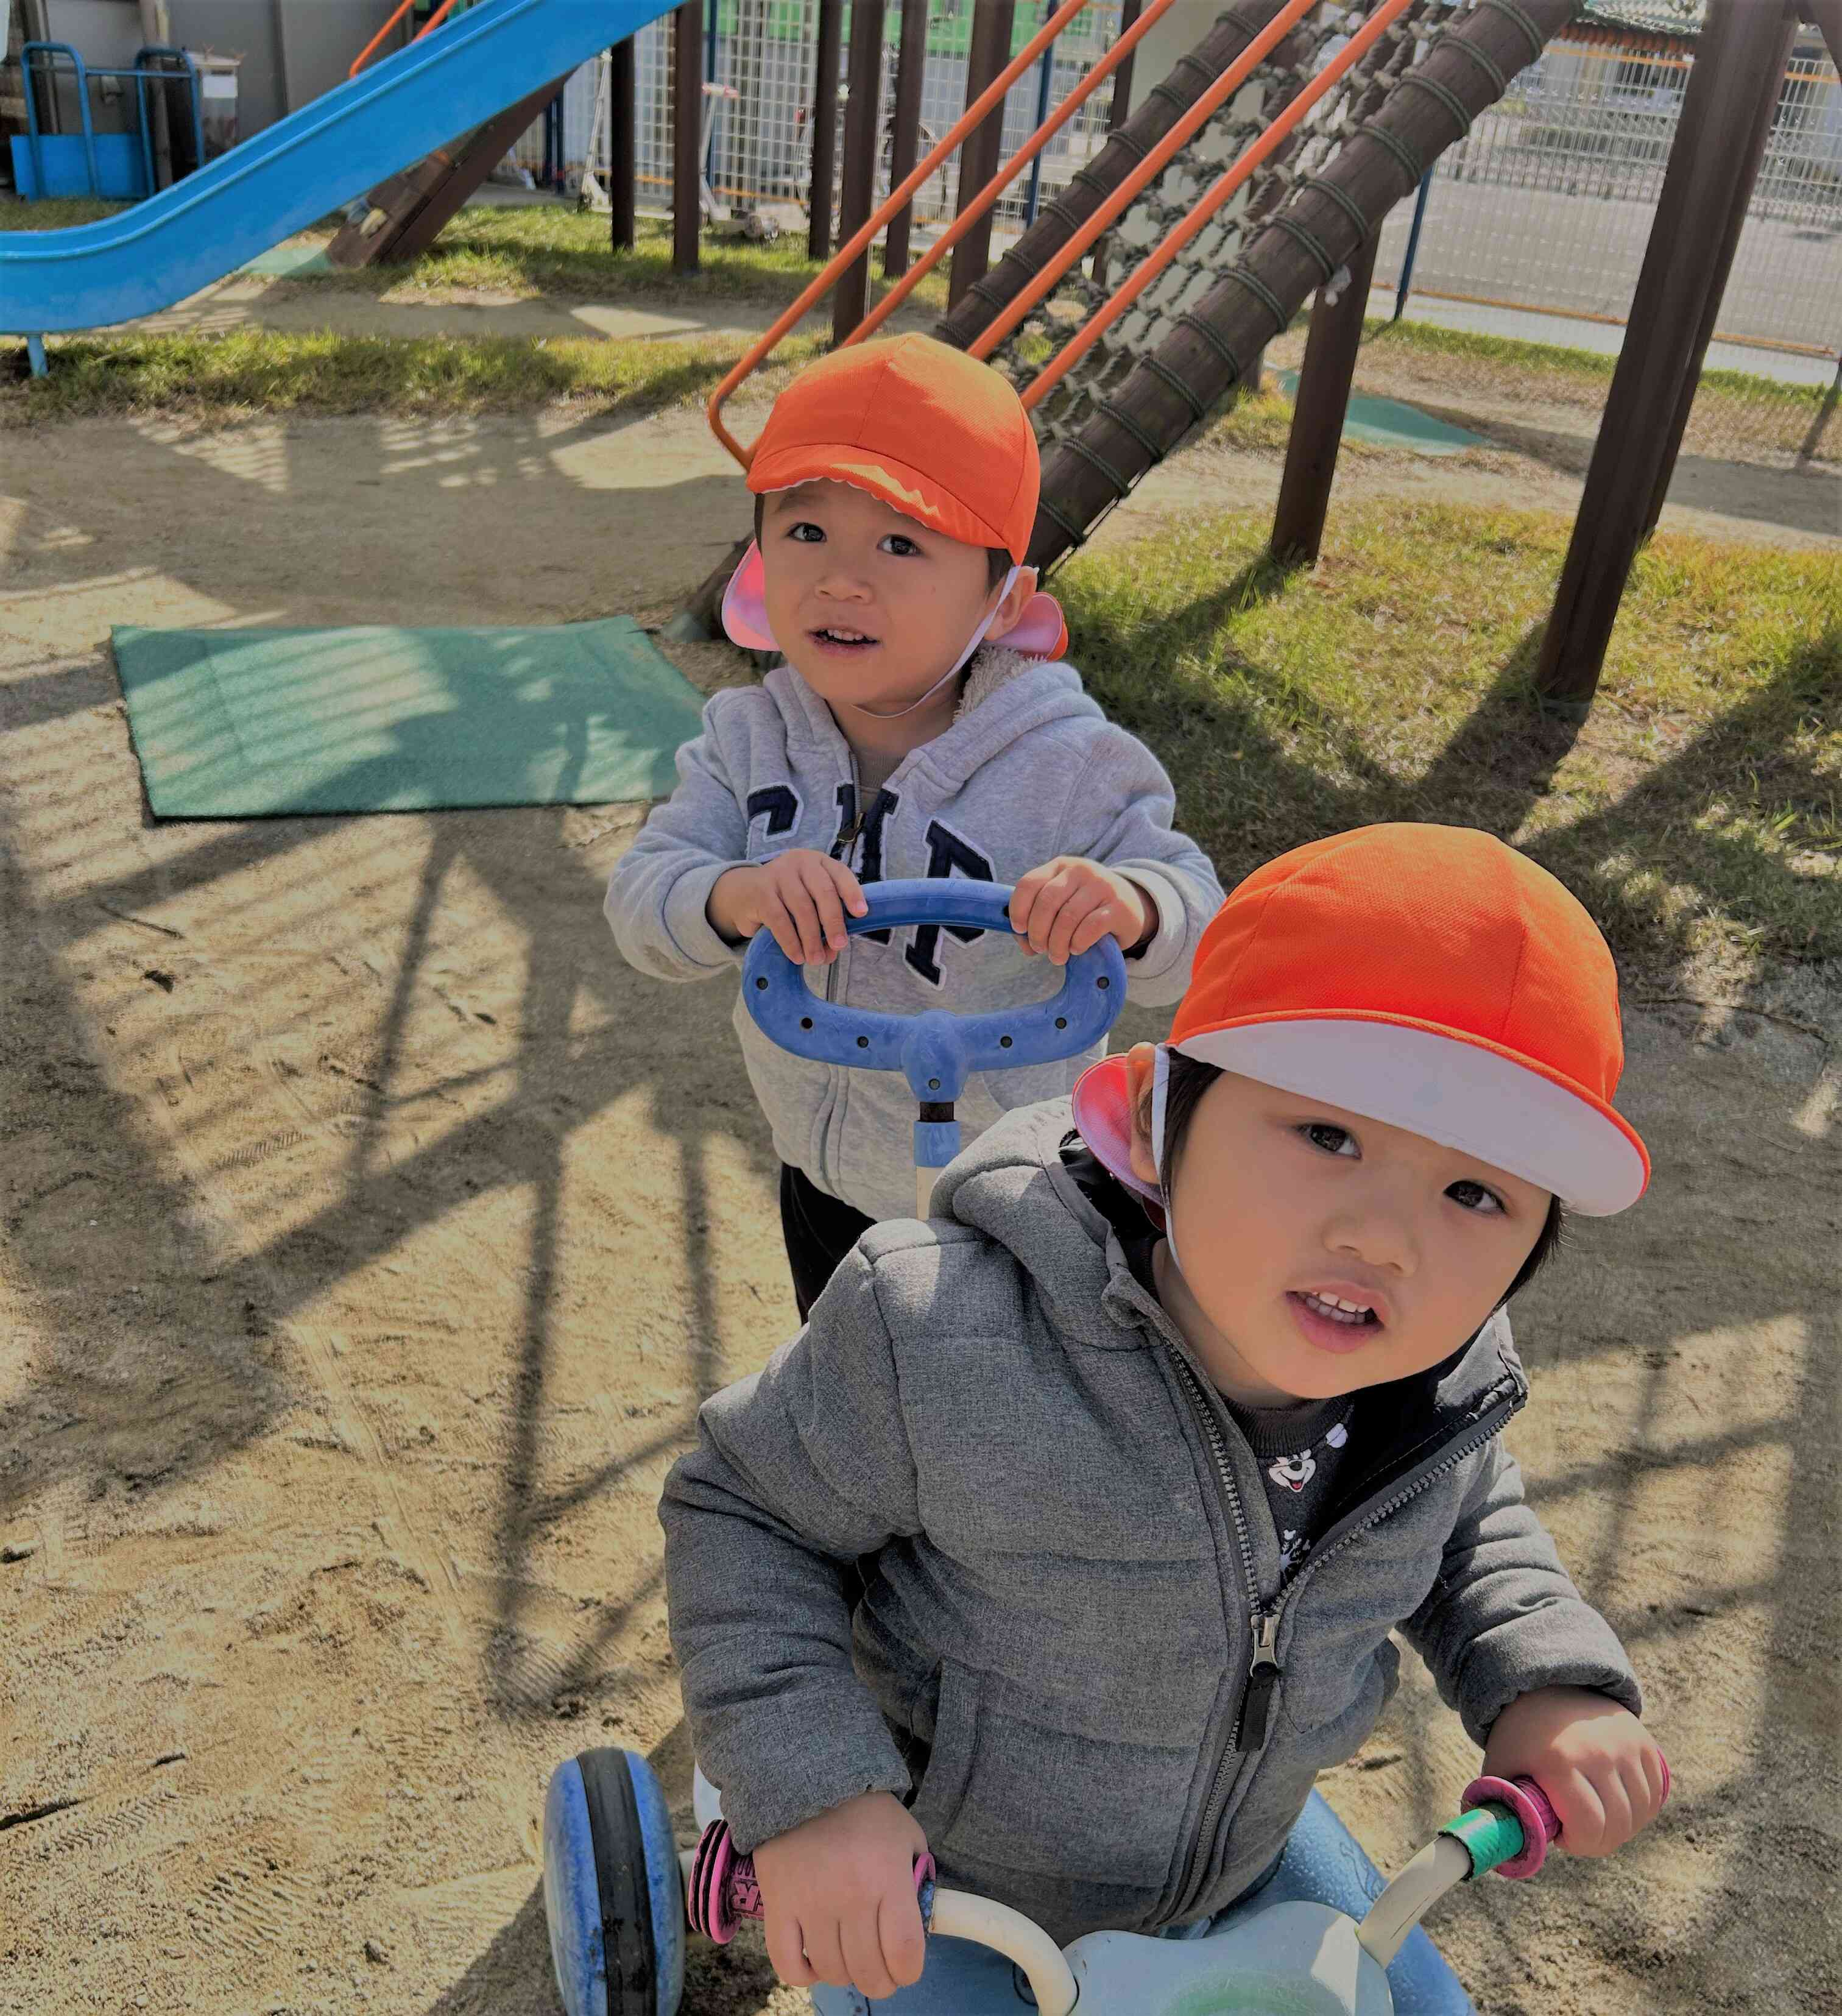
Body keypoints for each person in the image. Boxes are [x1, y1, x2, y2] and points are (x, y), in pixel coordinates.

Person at [660, 822, 1669, 2012]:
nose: (1385, 1235)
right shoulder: (939, 1330)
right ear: (1148, 1121)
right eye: (1328, 1133)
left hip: (1244, 1860)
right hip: (946, 1879)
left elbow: (1469, 1524)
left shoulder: (1437, 1391)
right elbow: (744, 1510)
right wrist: (822, 1791)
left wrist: (1550, 1681)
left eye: (1475, 1192)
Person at [605, 334, 1223, 1318]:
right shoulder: (748, 736)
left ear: (1003, 598)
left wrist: (1133, 905)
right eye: (806, 532)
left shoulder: (1066, 762)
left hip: (1017, 1196)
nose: (844, 580)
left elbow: (1201, 921)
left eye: (901, 544)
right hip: (825, 1178)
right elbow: (642, 898)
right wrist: (736, 894)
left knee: (999, 1428)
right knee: (858, 1399)